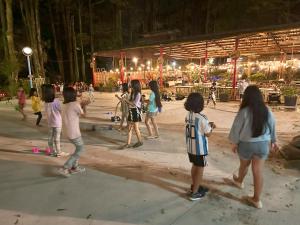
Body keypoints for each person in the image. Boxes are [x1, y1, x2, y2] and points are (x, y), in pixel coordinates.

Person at [229, 85, 278, 209]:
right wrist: (274, 140)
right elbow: (273, 125)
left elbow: (236, 128)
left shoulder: (244, 111)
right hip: (263, 145)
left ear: (246, 97)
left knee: (244, 165)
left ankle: (239, 181)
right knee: (258, 171)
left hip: (246, 144)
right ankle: (256, 200)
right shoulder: (267, 110)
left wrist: (234, 143)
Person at [184, 92, 215, 201]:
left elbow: (196, 127)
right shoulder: (202, 118)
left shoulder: (188, 115)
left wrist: (207, 124)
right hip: (200, 149)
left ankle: (194, 186)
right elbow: (208, 134)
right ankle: (195, 192)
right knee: (200, 168)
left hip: (190, 148)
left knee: (194, 166)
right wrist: (211, 127)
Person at [58, 87, 86, 177]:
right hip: (74, 132)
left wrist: (80, 105)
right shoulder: (75, 104)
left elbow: (73, 112)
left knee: (78, 148)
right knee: (80, 149)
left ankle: (75, 167)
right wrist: (84, 105)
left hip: (66, 131)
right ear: (73, 95)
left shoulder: (63, 104)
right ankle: (65, 167)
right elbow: (84, 115)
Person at [43, 84, 69, 157]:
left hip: (50, 123)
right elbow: (62, 110)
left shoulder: (45, 103)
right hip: (57, 123)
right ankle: (59, 152)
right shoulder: (56, 101)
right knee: (57, 138)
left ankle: (52, 151)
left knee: (50, 137)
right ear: (52, 92)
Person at [121, 79, 143, 149]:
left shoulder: (138, 94)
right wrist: (126, 100)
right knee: (129, 128)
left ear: (135, 85)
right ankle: (128, 143)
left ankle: (140, 141)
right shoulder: (133, 93)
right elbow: (130, 103)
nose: (130, 85)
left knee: (136, 128)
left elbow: (134, 104)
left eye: (131, 84)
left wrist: (126, 100)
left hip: (136, 111)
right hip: (131, 111)